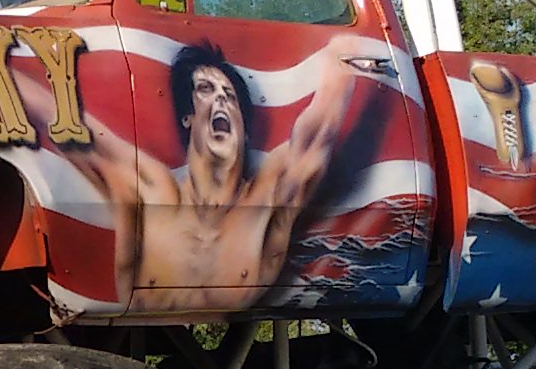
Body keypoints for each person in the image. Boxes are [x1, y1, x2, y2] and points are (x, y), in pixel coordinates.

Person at [24, 30, 405, 308]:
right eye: (206, 90)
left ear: (241, 121)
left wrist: (344, 52)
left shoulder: (270, 197)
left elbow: (318, 131)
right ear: (189, 116)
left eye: (230, 96)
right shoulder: (148, 190)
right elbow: (61, 122)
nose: (221, 99)